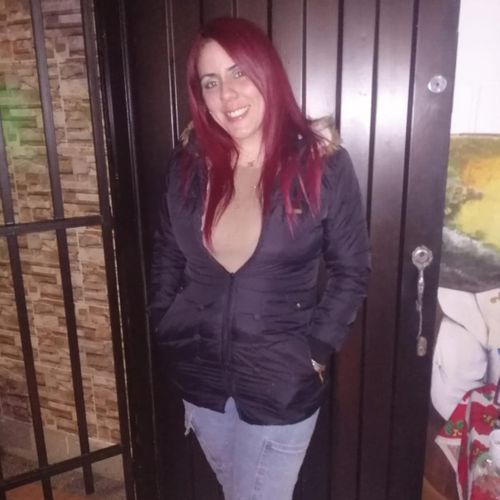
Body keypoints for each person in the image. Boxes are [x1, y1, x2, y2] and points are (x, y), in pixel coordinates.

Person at [149, 17, 370, 500]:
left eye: (239, 72)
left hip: (280, 381)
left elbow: (351, 270)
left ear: (267, 72)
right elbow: (166, 252)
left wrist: (314, 350)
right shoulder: (186, 167)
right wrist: (166, 320)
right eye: (211, 82)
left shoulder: (322, 166)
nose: (227, 94)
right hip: (200, 374)